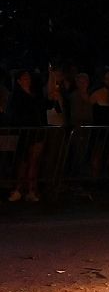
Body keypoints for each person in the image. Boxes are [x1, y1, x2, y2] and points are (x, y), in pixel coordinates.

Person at [6, 70, 46, 202]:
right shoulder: (16, 97)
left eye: (28, 77)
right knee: (22, 162)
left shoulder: (35, 95)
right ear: (18, 81)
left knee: (34, 162)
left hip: (36, 130)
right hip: (24, 131)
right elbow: (14, 114)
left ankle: (31, 190)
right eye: (24, 78)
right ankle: (18, 189)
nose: (27, 80)